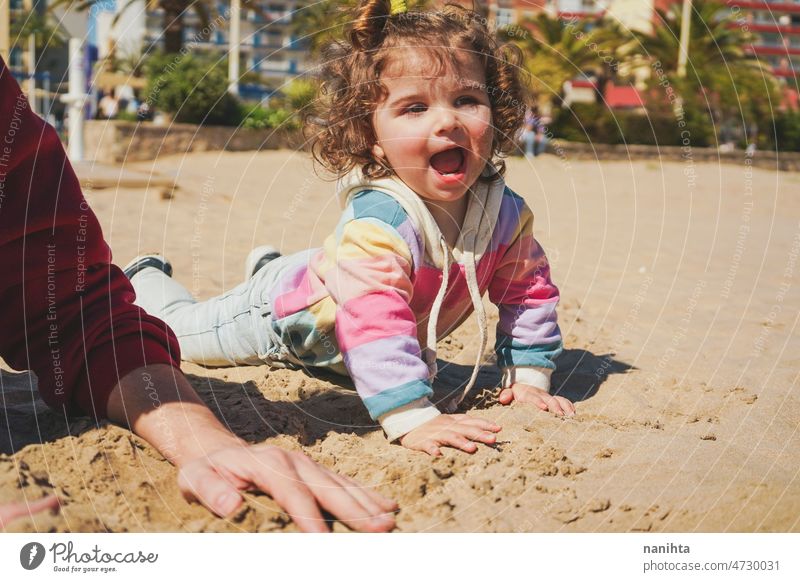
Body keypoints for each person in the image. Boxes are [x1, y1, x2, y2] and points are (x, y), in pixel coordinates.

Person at [127, 0, 573, 459]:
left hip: (337, 296)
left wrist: (527, 377)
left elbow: (528, 293)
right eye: (415, 107)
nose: (447, 120)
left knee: (326, 278)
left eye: (466, 100)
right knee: (177, 333)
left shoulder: (504, 215)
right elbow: (375, 316)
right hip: (282, 322)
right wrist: (413, 415)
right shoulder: (380, 224)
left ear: (494, 110)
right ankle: (146, 276)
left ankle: (272, 264)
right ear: (371, 138)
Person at [0, 57, 396, 533]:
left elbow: (72, 310)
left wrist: (207, 443)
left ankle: (177, 274)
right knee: (197, 323)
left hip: (279, 292)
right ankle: (154, 275)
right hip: (266, 310)